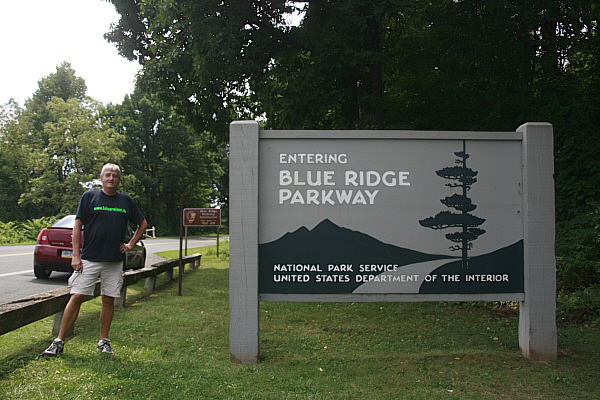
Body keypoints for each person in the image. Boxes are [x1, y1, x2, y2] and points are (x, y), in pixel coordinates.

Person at [41, 163, 147, 356]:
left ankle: (103, 342)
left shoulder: (126, 201)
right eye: (108, 175)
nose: (111, 178)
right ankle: (59, 341)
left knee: (108, 300)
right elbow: (78, 224)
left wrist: (131, 244)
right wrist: (75, 254)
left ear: (119, 180)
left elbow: (142, 222)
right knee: (77, 296)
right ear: (101, 178)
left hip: (114, 260)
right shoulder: (89, 197)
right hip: (89, 258)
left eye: (115, 175)